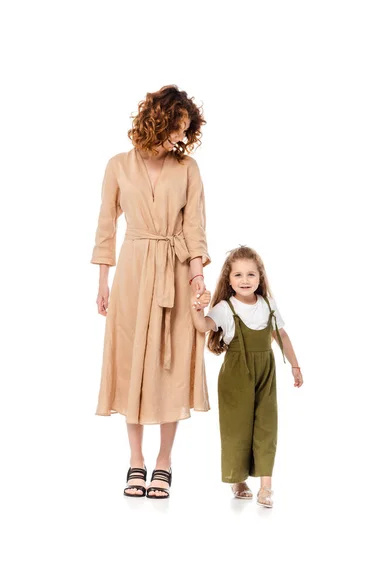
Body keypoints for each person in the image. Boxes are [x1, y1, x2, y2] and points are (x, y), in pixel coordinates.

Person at [91, 85, 211, 499]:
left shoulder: (188, 169)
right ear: (157, 120)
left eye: (185, 131)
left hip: (175, 273)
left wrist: (198, 279)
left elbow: (194, 228)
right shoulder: (118, 166)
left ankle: (164, 461)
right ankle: (135, 460)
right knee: (133, 361)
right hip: (132, 271)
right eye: (176, 128)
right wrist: (103, 282)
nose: (180, 137)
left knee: (171, 363)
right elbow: (106, 226)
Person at [190, 245, 303, 508]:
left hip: (266, 372)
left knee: (267, 426)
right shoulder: (224, 308)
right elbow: (202, 326)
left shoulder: (267, 304)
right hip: (236, 375)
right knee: (237, 429)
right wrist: (197, 307)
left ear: (260, 278)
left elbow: (280, 335)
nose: (245, 280)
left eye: (251, 274)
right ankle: (238, 479)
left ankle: (266, 487)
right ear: (229, 280)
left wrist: (295, 365)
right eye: (238, 275)